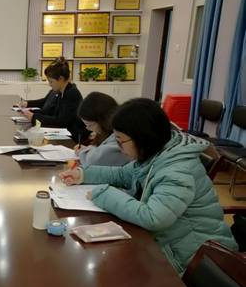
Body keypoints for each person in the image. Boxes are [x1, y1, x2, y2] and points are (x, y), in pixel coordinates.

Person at [60, 98, 238, 274]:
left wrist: (104, 194)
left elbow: (153, 218)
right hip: (168, 245)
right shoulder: (156, 153)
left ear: (143, 138)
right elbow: (123, 174)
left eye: (121, 141)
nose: (119, 148)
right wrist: (83, 174)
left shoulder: (177, 169)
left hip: (196, 261)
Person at [18, 57, 87, 141]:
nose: (49, 84)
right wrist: (32, 114)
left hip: (73, 138)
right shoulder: (61, 91)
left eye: (51, 81)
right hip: (62, 132)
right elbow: (51, 113)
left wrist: (34, 117)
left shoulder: (71, 93)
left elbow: (61, 121)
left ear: (61, 79)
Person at [75, 92, 130, 167]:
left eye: (90, 125)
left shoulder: (120, 137)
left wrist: (83, 152)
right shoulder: (111, 133)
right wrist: (88, 149)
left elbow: (94, 161)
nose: (88, 128)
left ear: (103, 120)